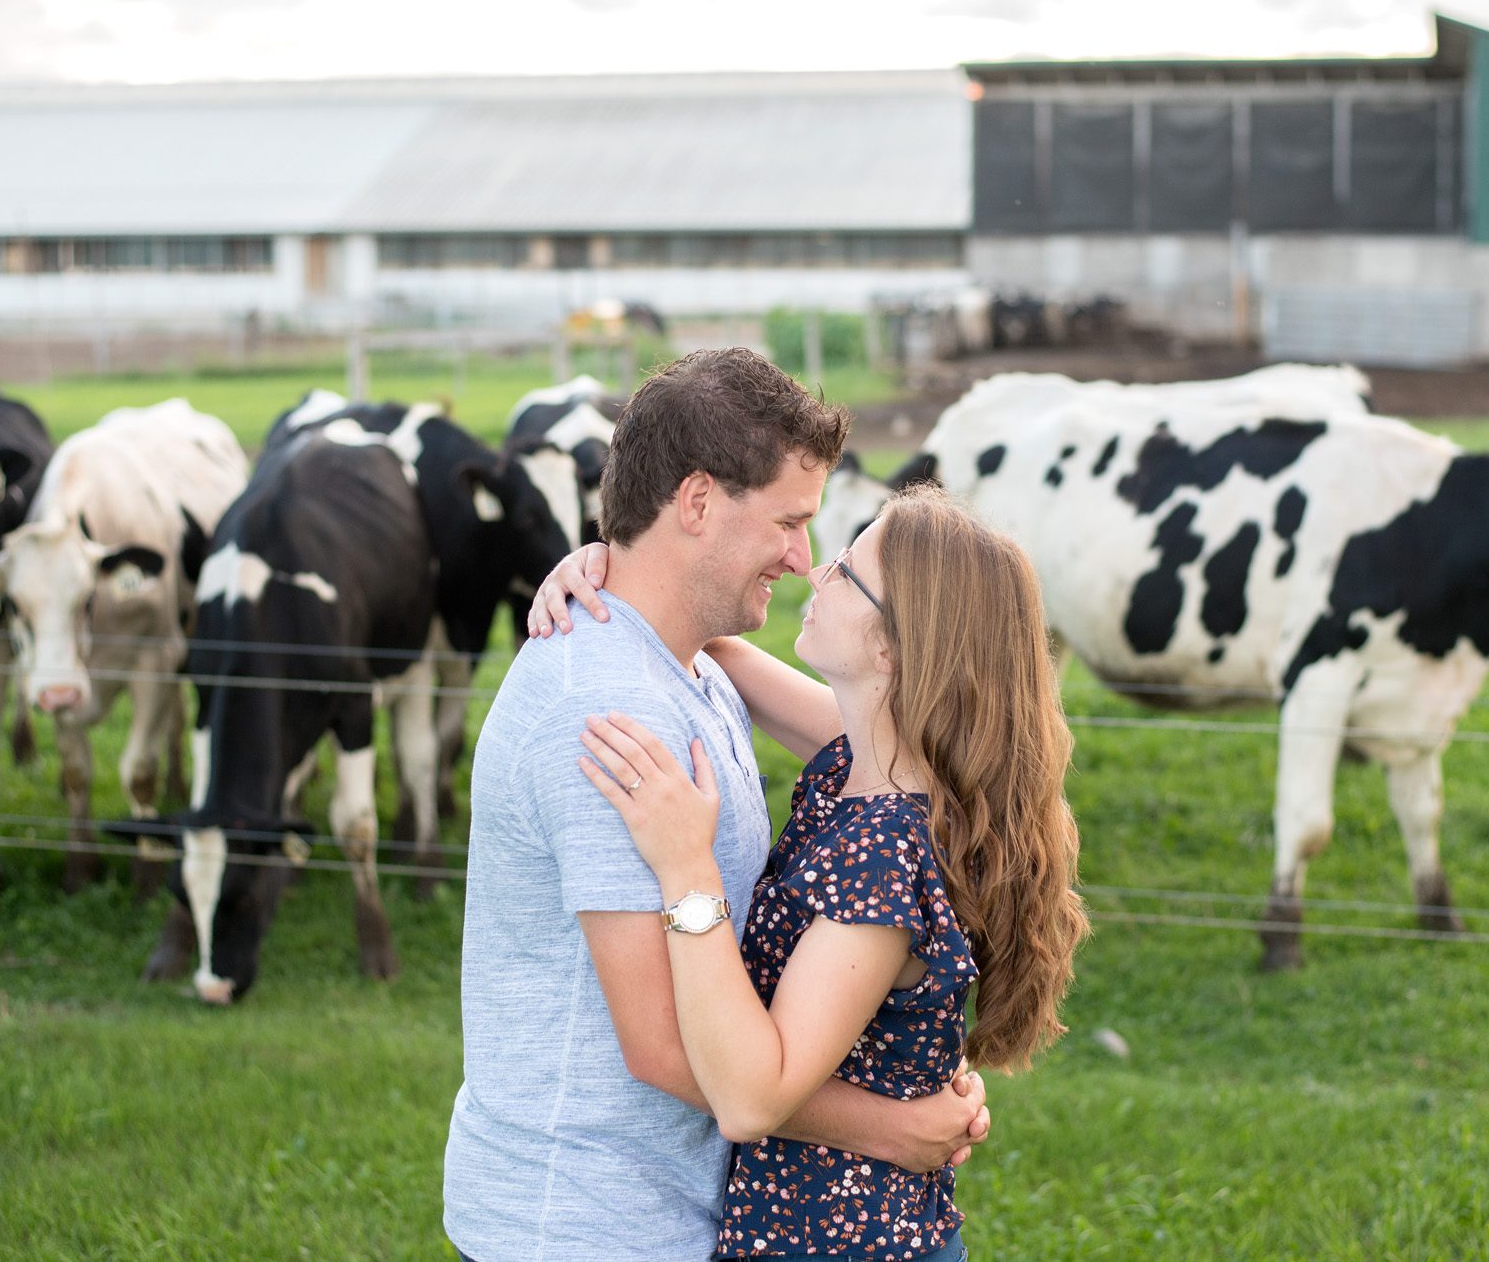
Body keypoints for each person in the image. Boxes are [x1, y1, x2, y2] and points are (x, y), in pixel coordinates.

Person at [443, 350, 991, 1262]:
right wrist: (889, 1126)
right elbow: (663, 1046)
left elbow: (911, 757)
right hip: (584, 1223)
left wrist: (615, 572)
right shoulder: (607, 715)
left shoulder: (688, 663)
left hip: (665, 1209)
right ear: (697, 501)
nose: (802, 558)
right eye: (788, 521)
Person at [533, 483, 1091, 1260]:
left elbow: (749, 1098)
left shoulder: (884, 850)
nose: (816, 570)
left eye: (847, 570)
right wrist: (610, 572)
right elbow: (709, 642)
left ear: (890, 648)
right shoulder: (883, 766)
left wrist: (687, 866)